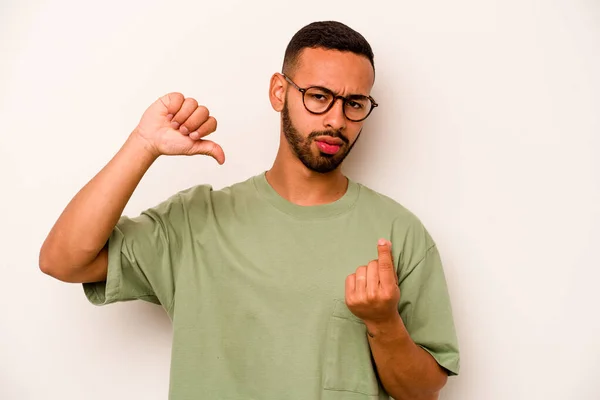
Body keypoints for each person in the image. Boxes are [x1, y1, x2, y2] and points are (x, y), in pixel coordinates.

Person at [40, 21, 460, 400]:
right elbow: (62, 260)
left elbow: (423, 392)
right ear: (280, 91)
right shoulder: (196, 221)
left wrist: (383, 323)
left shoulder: (398, 234)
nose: (336, 119)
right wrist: (142, 145)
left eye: (354, 103)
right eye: (318, 97)